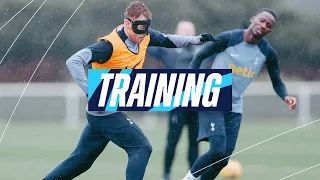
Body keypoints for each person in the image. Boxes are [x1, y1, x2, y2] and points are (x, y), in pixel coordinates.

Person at [43, 1, 218, 180]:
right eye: (139, 29)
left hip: (106, 113)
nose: (143, 35)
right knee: (142, 147)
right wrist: (91, 92)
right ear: (127, 23)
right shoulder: (109, 45)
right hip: (105, 113)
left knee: (81, 161)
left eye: (145, 29)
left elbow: (169, 40)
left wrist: (197, 40)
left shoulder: (144, 35)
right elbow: (73, 61)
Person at [182, 8, 297, 180]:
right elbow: (199, 56)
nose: (263, 25)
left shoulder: (267, 52)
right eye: (261, 20)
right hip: (213, 99)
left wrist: (285, 96)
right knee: (217, 151)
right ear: (253, 19)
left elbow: (277, 81)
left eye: (268, 25)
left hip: (235, 107)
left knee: (222, 160)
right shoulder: (229, 38)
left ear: (269, 30)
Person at [147, 21, 211, 180]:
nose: (188, 34)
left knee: (194, 141)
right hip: (176, 102)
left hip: (196, 102)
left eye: (191, 31)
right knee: (172, 141)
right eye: (184, 31)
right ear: (176, 33)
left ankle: (193, 174)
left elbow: (221, 49)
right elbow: (146, 45)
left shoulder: (202, 49)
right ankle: (167, 174)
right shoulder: (168, 49)